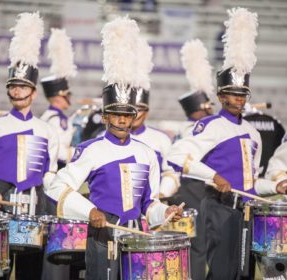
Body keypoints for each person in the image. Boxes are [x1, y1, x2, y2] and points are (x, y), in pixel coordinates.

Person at [45, 16, 183, 280]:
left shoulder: (146, 153)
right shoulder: (91, 149)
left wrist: (164, 212)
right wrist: (90, 211)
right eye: (115, 114)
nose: (122, 120)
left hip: (136, 237)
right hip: (102, 236)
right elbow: (56, 186)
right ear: (105, 117)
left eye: (127, 115)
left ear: (134, 117)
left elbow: (148, 204)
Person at [166, 8, 281, 280]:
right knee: (221, 271)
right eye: (232, 94)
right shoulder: (211, 126)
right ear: (220, 96)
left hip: (246, 208)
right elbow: (177, 154)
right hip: (219, 206)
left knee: (243, 273)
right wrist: (213, 176)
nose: (238, 99)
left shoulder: (253, 133)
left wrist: (274, 186)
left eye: (242, 94)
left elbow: (252, 181)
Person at [0, 12, 58, 280]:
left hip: (36, 205)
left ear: (32, 91)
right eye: (13, 86)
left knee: (31, 273)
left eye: (23, 87)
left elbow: (50, 174)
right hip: (1, 201)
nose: (17, 92)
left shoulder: (47, 130)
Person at [168, 39, 214, 280]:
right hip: (196, 193)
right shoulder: (197, 130)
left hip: (188, 193)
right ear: (202, 108)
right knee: (197, 248)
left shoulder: (186, 129)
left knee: (193, 247)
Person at [130, 36, 179, 198]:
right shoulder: (105, 137)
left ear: (147, 112)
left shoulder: (161, 139)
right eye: (132, 109)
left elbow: (171, 172)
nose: (136, 114)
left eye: (141, 109)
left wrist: (160, 194)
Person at [41, 28, 77, 170]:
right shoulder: (56, 119)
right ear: (57, 97)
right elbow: (56, 149)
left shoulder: (54, 116)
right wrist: (79, 155)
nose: (69, 98)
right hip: (54, 168)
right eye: (66, 95)